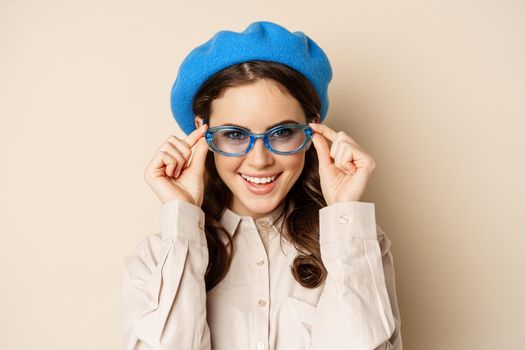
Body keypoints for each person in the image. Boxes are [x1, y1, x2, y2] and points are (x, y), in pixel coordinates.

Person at [122, 20, 402, 350]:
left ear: (312, 129)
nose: (259, 160)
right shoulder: (156, 259)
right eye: (234, 134)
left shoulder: (358, 244)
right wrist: (182, 217)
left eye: (282, 132)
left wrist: (344, 213)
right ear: (202, 132)